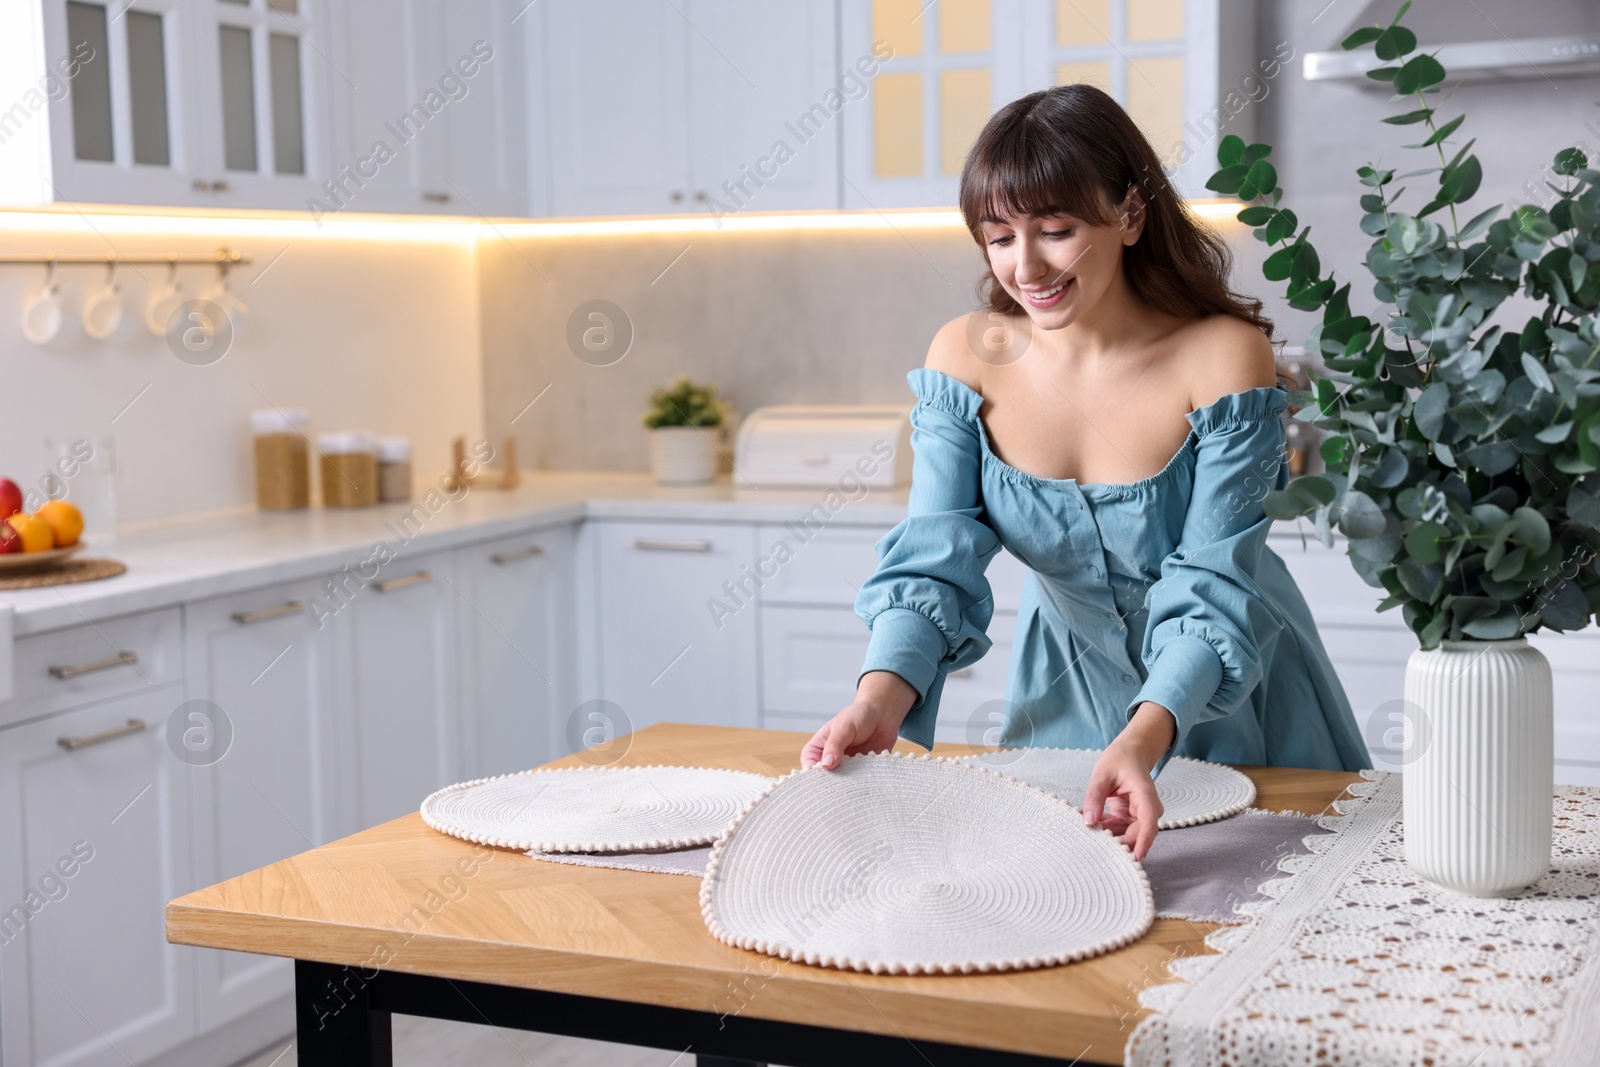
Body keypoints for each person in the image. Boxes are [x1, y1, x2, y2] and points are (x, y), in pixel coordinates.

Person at [800, 84, 1372, 862]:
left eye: (1056, 230)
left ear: (1131, 215)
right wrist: (879, 697)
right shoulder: (966, 357)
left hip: (1230, 675)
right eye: (998, 237)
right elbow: (933, 564)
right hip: (1063, 681)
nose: (1025, 266)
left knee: (1267, 908)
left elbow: (1213, 581)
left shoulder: (1221, 353)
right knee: (1067, 905)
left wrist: (1145, 734)